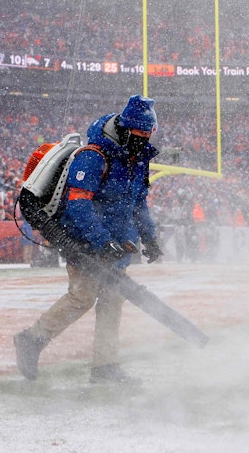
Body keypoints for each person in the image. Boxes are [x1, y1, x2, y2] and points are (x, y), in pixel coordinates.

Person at [14, 95, 164, 384]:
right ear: (124, 129)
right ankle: (31, 339)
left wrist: (150, 236)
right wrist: (101, 241)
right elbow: (78, 205)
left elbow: (138, 203)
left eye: (148, 135)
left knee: (112, 300)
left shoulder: (138, 160)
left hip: (118, 243)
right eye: (139, 135)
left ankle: (105, 366)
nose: (143, 141)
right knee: (82, 296)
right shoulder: (94, 156)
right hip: (83, 240)